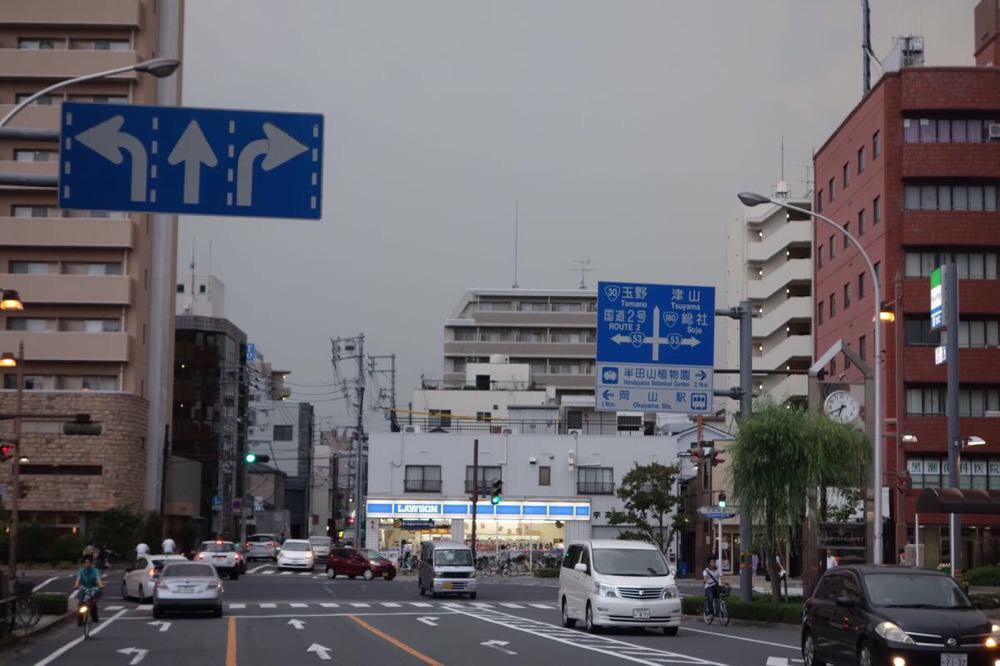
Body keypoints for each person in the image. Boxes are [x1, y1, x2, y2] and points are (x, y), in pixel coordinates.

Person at [74, 555, 104, 623]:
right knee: (81, 603)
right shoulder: (81, 571)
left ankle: (94, 617)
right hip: (84, 588)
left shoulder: (95, 571)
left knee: (93, 602)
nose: (86, 564)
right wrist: (76, 585)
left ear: (91, 563)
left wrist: (100, 585)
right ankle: (80, 620)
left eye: (88, 562)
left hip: (94, 588)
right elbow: (78, 579)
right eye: (85, 562)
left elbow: (98, 579)